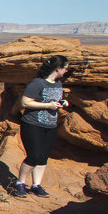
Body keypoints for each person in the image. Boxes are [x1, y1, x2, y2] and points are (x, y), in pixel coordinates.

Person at [13, 54, 69, 197]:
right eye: (65, 68)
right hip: (32, 124)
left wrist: (62, 103)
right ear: (58, 68)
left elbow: (54, 100)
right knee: (34, 155)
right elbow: (25, 103)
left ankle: (36, 185)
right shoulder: (37, 83)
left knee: (43, 156)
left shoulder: (58, 83)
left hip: (50, 125)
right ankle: (20, 183)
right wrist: (48, 105)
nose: (66, 71)